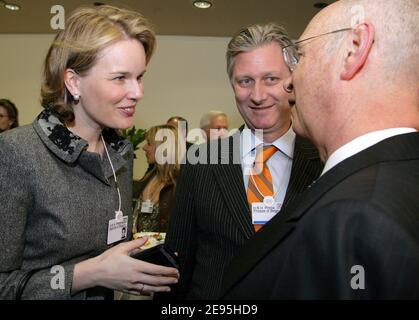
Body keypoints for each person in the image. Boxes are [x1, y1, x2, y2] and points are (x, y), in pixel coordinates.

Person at [222, 0, 419, 299]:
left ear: (354, 50)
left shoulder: (358, 217)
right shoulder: (399, 175)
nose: (289, 83)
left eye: (299, 56)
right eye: (246, 81)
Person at [0, 5, 179, 300]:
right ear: (73, 82)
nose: (137, 92)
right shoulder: (17, 154)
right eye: (120, 78)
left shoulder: (118, 156)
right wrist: (90, 273)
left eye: (139, 77)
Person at [164, 23, 323, 299]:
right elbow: (175, 268)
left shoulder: (325, 159)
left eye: (271, 79)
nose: (258, 95)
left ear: (293, 80)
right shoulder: (201, 161)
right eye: (245, 81)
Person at [132, 125, 185, 234]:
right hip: (138, 248)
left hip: (162, 250)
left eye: (149, 143)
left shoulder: (182, 183)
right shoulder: (149, 176)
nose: (144, 147)